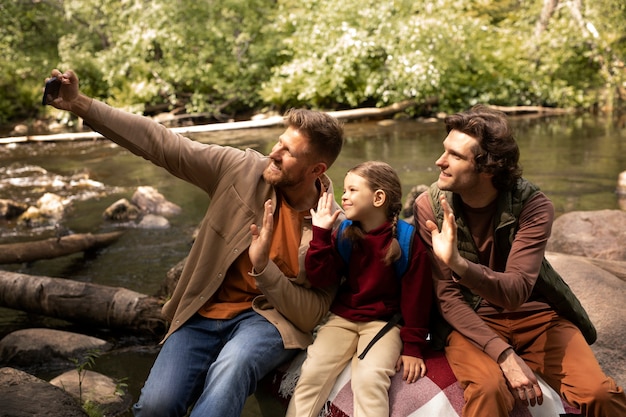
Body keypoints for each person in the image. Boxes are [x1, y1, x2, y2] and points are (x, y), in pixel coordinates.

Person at [44, 69, 346, 417]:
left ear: (316, 169)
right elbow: (163, 143)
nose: (274, 153)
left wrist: (263, 269)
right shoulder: (242, 169)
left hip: (268, 321)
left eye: (288, 152)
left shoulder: (333, 227)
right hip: (203, 310)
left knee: (231, 370)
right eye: (278, 142)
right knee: (157, 407)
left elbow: (311, 314)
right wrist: (80, 104)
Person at [414, 104, 626, 416]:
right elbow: (447, 297)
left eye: (455, 156)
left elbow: (515, 293)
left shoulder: (534, 205)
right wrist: (503, 355)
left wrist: (459, 263)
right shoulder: (429, 206)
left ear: (487, 169)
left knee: (600, 395)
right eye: (445, 150)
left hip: (538, 317)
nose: (439, 161)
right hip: (472, 320)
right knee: (488, 390)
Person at [287, 161, 433, 417]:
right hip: (341, 319)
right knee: (312, 374)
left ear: (378, 198)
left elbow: (417, 301)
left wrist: (412, 348)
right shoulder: (344, 232)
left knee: (369, 380)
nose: (344, 196)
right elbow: (321, 278)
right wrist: (320, 234)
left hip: (384, 324)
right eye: (344, 190)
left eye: (353, 190)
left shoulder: (408, 241)